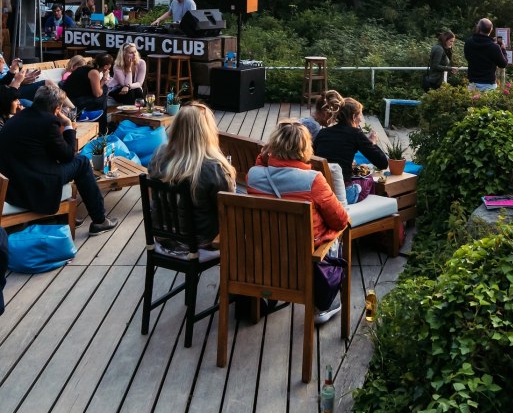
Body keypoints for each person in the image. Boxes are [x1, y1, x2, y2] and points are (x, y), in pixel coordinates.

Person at [246, 121, 350, 324]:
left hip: (264, 259)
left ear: (272, 146)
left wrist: (264, 155)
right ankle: (324, 303)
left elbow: (260, 166)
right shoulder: (313, 180)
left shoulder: (253, 176)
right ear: (305, 148)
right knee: (337, 234)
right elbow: (341, 221)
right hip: (303, 263)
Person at [0, 81, 117, 233]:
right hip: (34, 185)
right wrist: (68, 125)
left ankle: (65, 216)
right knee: (81, 162)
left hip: (13, 184)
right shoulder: (48, 122)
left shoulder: (18, 117)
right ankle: (99, 220)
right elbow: (67, 156)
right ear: (57, 108)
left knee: (65, 161)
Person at [149, 103, 236, 246]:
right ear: (206, 130)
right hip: (201, 241)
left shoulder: (159, 154)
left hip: (162, 235)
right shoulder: (212, 168)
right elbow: (228, 211)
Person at [314, 98, 388, 192]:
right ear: (353, 117)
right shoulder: (355, 133)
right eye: (360, 115)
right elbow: (382, 163)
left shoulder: (323, 132)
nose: (361, 120)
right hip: (342, 191)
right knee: (370, 180)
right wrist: (372, 142)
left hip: (320, 188)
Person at [463, 18, 508, 91]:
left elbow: (467, 57)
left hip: (473, 85)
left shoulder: (469, 42)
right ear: (491, 30)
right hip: (489, 86)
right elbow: (503, 64)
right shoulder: (494, 47)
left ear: (478, 28)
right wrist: (503, 49)